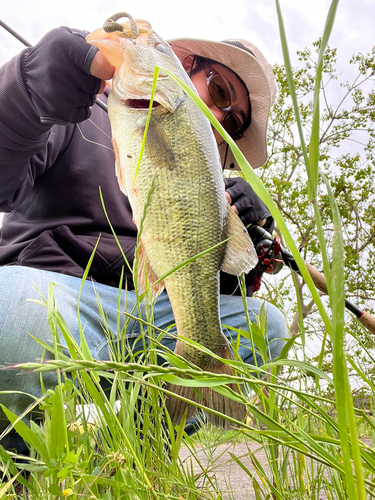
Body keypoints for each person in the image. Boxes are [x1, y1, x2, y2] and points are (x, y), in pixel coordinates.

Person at [0, 25, 288, 453]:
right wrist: (38, 82)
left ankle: (131, 455)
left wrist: (249, 241)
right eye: (222, 92)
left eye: (236, 122)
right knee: (14, 312)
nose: (222, 118)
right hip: (55, 297)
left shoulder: (216, 196)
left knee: (266, 327)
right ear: (186, 66)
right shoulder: (75, 113)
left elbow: (207, 290)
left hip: (149, 315)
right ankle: (24, 456)